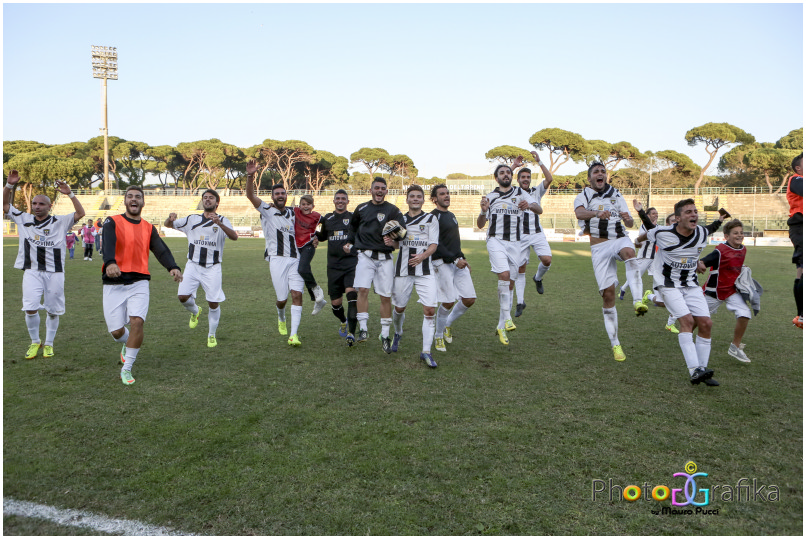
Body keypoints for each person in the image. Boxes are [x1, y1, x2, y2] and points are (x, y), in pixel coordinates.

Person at [637, 198, 725, 386]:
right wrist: (637, 236)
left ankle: (703, 370)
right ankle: (694, 370)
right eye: (688, 212)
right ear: (677, 218)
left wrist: (720, 219)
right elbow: (648, 229)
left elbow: (711, 228)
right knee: (687, 320)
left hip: (691, 283)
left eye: (695, 211)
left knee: (706, 323)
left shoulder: (701, 232)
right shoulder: (663, 232)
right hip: (667, 284)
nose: (694, 215)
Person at [102, 185, 182, 385]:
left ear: (143, 202)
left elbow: (160, 249)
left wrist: (172, 266)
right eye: (130, 196)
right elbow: (108, 243)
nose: (134, 200)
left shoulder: (148, 227)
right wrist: (110, 262)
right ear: (125, 201)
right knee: (117, 332)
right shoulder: (112, 221)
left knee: (138, 321)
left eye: (138, 197)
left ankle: (127, 369)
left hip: (139, 281)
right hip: (114, 281)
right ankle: (126, 341)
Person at [4, 170, 86, 359]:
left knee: (52, 310)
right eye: (34, 203)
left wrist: (70, 193)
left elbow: (81, 213)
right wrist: (9, 185)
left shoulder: (60, 221)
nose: (37, 206)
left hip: (55, 272)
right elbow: (5, 204)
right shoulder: (24, 219)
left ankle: (48, 344)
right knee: (30, 307)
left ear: (50, 206)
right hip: (32, 271)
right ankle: (35, 342)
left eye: (41, 203)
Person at [573, 162, 647, 362]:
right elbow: (579, 213)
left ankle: (638, 300)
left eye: (603, 172)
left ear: (606, 176)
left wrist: (628, 218)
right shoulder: (584, 196)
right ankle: (616, 344)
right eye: (596, 172)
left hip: (618, 240)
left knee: (629, 252)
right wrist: (597, 213)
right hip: (598, 248)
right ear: (589, 178)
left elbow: (630, 222)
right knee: (608, 295)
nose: (600, 174)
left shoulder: (616, 194)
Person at [164, 189, 238, 348]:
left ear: (217, 202)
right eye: (205, 198)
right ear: (202, 201)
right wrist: (170, 219)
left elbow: (234, 236)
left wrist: (220, 224)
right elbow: (168, 225)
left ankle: (211, 335)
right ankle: (195, 311)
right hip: (193, 265)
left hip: (212, 268)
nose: (207, 200)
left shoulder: (223, 219)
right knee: (182, 297)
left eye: (211, 198)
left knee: (213, 303)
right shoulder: (192, 219)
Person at [477, 163, 542, 345]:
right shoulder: (490, 197)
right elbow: (481, 224)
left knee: (509, 284)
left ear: (511, 176)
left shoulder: (521, 193)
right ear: (496, 177)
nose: (505, 175)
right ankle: (507, 317)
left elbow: (539, 210)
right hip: (495, 240)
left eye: (508, 172)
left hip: (516, 244)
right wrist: (483, 211)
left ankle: (501, 325)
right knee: (504, 276)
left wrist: (528, 205)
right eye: (502, 173)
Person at [245, 159, 305, 346]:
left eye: (282, 193)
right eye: (277, 194)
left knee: (297, 295)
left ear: (287, 195)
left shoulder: (295, 213)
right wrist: (250, 176)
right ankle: (281, 316)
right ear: (272, 197)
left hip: (296, 259)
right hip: (277, 260)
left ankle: (293, 335)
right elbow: (250, 196)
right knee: (282, 299)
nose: (280, 196)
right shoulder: (267, 210)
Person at [344, 177, 405, 350]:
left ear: (387, 191)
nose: (379, 191)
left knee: (385, 296)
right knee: (362, 289)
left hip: (385, 258)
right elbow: (353, 228)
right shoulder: (361, 208)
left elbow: (403, 232)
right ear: (370, 190)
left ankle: (385, 334)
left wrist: (394, 241)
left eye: (383, 188)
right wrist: (349, 242)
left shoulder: (393, 210)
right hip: (365, 256)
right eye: (376, 188)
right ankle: (363, 329)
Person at [387, 185, 440, 367]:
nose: (415, 199)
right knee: (399, 308)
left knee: (430, 310)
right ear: (407, 199)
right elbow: (396, 245)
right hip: (403, 270)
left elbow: (433, 245)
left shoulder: (431, 218)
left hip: (425, 271)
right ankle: (398, 332)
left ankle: (426, 351)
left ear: (423, 200)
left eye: (419, 196)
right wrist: (390, 242)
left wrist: (422, 257)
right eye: (412, 196)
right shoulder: (398, 220)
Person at [430, 184, 476, 351]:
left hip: (457, 261)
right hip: (442, 263)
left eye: (447, 193)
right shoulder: (433, 217)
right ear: (434, 199)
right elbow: (435, 244)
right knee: (448, 301)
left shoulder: (451, 215)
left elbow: (454, 242)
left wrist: (462, 258)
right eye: (442, 194)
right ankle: (438, 336)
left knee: (469, 298)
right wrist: (454, 260)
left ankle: (447, 324)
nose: (446, 196)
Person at [699, 219, 752, 363]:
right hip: (713, 292)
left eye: (741, 233)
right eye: (735, 233)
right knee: (696, 320)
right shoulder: (720, 250)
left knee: (745, 313)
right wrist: (700, 265)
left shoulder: (743, 249)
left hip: (731, 291)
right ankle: (686, 338)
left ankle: (735, 347)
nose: (739, 235)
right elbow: (704, 261)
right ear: (726, 236)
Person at [622, 201, 679, 334]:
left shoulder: (683, 235)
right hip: (658, 268)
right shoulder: (661, 232)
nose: (674, 223)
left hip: (677, 274)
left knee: (679, 301)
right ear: (667, 224)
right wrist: (641, 212)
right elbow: (647, 230)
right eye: (671, 221)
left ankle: (670, 324)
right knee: (661, 301)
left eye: (675, 221)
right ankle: (645, 295)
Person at [512, 152, 554, 317]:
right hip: (520, 236)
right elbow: (501, 180)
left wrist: (540, 161)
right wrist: (514, 165)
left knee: (547, 259)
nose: (525, 179)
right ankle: (520, 302)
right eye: (522, 176)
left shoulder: (537, 191)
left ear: (530, 178)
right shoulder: (513, 192)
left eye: (528, 176)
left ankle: (537, 278)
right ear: (518, 179)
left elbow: (549, 179)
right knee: (520, 269)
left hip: (537, 233)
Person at [315, 189, 359, 343]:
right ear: (334, 201)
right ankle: (343, 321)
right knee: (336, 304)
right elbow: (321, 237)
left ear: (348, 201)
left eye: (343, 198)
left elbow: (360, 236)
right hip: (333, 266)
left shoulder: (353, 218)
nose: (340, 201)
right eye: (338, 198)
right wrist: (314, 237)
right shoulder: (327, 219)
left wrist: (352, 244)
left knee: (352, 295)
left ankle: (351, 334)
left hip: (351, 264)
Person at [294, 194, 328, 316]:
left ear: (313, 206)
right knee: (303, 270)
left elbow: (327, 222)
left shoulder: (317, 216)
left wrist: (319, 236)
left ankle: (316, 289)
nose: (305, 206)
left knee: (302, 268)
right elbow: (283, 209)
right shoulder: (295, 211)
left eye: (308, 204)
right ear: (299, 206)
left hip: (309, 245)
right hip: (296, 246)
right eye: (303, 204)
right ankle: (318, 300)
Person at [787, 153, 803, 329]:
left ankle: (800, 316)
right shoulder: (796, 179)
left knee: (800, 272)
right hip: (800, 227)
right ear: (798, 168)